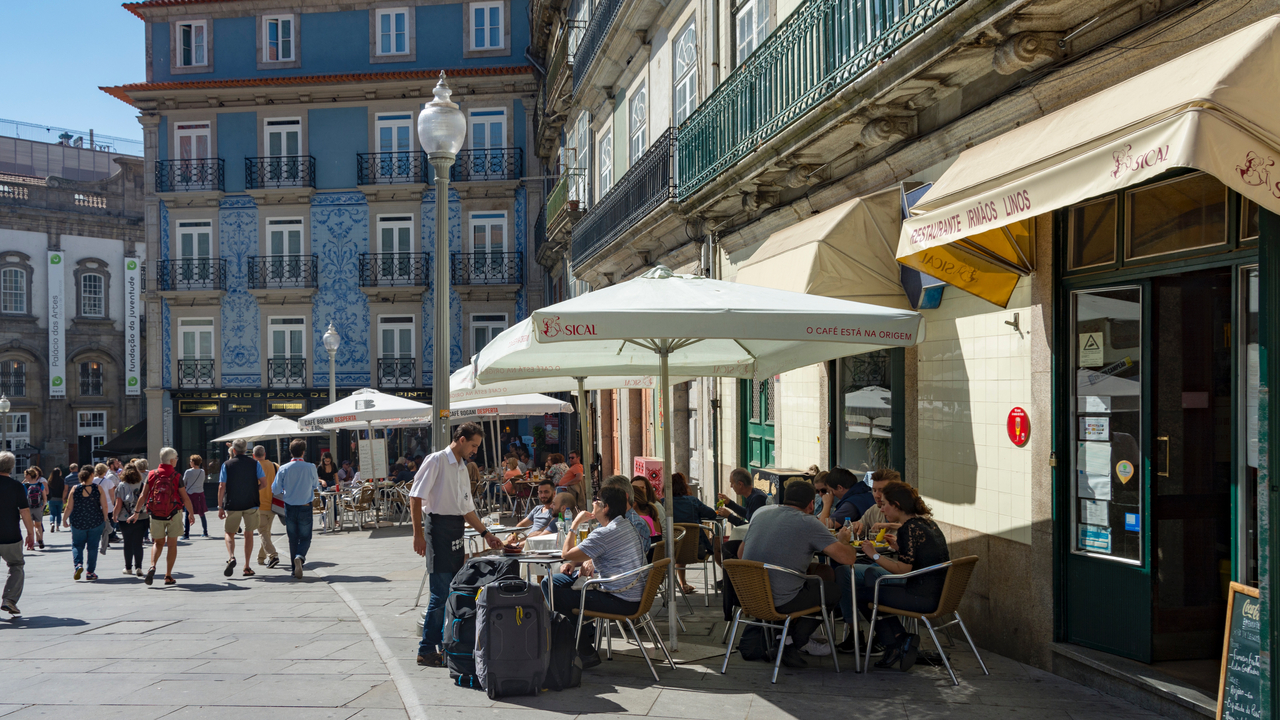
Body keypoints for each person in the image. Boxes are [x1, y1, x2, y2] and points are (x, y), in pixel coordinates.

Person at [410, 422, 504, 667]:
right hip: (437, 528)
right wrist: (417, 534)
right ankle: (426, 649)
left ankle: (445, 645)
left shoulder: (463, 467)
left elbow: (466, 509)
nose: (475, 450)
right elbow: (415, 496)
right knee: (440, 595)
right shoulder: (436, 460)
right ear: (461, 439)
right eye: (473, 444)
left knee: (453, 591)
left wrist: (486, 533)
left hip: (454, 529)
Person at [740, 480, 855, 668]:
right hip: (780, 601)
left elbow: (740, 554)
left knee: (820, 575)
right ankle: (792, 642)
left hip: (750, 596)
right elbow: (847, 559)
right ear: (811, 504)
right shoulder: (809, 522)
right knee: (832, 590)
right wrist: (844, 540)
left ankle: (782, 637)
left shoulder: (761, 516)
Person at [547, 483, 649, 668]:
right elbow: (606, 553)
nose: (593, 503)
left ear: (605, 507)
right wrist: (588, 562)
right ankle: (584, 635)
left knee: (557, 595)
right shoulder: (625, 525)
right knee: (551, 583)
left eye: (596, 500)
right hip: (632, 593)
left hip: (620, 599)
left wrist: (575, 525)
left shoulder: (605, 533)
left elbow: (566, 554)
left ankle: (583, 649)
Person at [852, 481, 950, 671]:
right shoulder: (927, 524)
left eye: (885, 504)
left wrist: (874, 555)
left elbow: (902, 570)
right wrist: (899, 547)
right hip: (939, 593)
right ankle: (899, 641)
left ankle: (897, 642)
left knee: (862, 595)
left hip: (922, 597)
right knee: (875, 590)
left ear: (897, 505)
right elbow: (923, 557)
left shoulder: (908, 528)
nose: (882, 510)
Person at [129, 448, 193, 586]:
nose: (177, 460)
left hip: (156, 513)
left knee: (157, 543)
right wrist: (191, 513)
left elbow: (143, 495)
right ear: (171, 460)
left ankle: (152, 566)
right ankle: (168, 575)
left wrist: (136, 512)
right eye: (176, 458)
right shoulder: (176, 475)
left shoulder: (152, 474)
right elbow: (185, 498)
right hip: (173, 514)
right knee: (172, 545)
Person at [272, 439, 323, 580]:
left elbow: (275, 489)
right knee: (306, 537)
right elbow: (314, 484)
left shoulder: (283, 468)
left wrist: (285, 488)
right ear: (303, 452)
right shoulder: (311, 467)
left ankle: (294, 570)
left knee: (292, 538)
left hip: (289, 507)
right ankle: (300, 557)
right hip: (305, 506)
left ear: (290, 451)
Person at [218, 439, 267, 578]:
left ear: (233, 450)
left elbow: (221, 486)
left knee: (229, 532)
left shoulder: (227, 465)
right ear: (246, 450)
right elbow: (264, 483)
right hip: (251, 502)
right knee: (249, 533)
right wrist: (254, 489)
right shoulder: (255, 463)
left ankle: (232, 556)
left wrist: (220, 506)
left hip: (233, 503)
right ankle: (247, 566)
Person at [670, 471, 718, 594]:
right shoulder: (693, 501)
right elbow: (711, 514)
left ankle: (682, 583)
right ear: (684, 486)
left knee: (678, 545)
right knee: (687, 543)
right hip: (696, 551)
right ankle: (683, 583)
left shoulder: (664, 503)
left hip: (670, 552)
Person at [0, 452, 35, 615]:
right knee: (16, 565)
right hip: (10, 535)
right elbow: (25, 511)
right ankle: (9, 599)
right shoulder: (16, 486)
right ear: (12, 467)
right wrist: (30, 532)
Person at [64, 468, 110, 581]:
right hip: (95, 521)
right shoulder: (97, 488)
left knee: (77, 545)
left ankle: (78, 565)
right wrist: (105, 517)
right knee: (93, 547)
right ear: (91, 475)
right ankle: (90, 572)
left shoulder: (75, 489)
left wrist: (64, 519)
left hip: (78, 522)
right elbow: (104, 505)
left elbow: (69, 506)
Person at [250, 446, 281, 569]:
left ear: (253, 455)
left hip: (258, 505)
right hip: (273, 504)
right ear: (265, 454)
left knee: (263, 532)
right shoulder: (275, 466)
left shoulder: (253, 467)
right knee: (266, 532)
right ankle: (261, 558)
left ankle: (273, 556)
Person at [114, 464, 148, 577]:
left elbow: (118, 504)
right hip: (141, 516)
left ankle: (128, 568)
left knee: (127, 543)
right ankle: (139, 567)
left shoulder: (121, 486)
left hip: (124, 518)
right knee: (138, 543)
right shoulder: (142, 484)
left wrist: (114, 516)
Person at [182, 455, 209, 539]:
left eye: (190, 461)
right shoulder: (202, 471)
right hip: (200, 494)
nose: (190, 462)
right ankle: (205, 531)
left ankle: (186, 534)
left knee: (188, 514)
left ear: (193, 462)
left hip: (190, 494)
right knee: (202, 513)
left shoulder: (188, 472)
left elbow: (183, 483)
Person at [92, 463, 117, 554]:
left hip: (96, 506)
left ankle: (102, 540)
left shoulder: (93, 481)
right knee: (107, 524)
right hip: (108, 506)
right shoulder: (108, 482)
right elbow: (112, 495)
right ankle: (107, 539)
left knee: (98, 524)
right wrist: (113, 504)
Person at [22, 468, 46, 550]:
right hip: (38, 507)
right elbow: (44, 498)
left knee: (30, 527)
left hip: (28, 508)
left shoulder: (25, 485)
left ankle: (31, 546)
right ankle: (40, 539)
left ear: (28, 475)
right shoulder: (40, 485)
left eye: (25, 475)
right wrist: (42, 506)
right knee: (38, 525)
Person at [46, 467, 65, 533]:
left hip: (52, 498)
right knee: (59, 513)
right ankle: (57, 526)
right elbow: (64, 490)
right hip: (60, 498)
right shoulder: (62, 481)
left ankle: (52, 523)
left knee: (52, 513)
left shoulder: (50, 481)